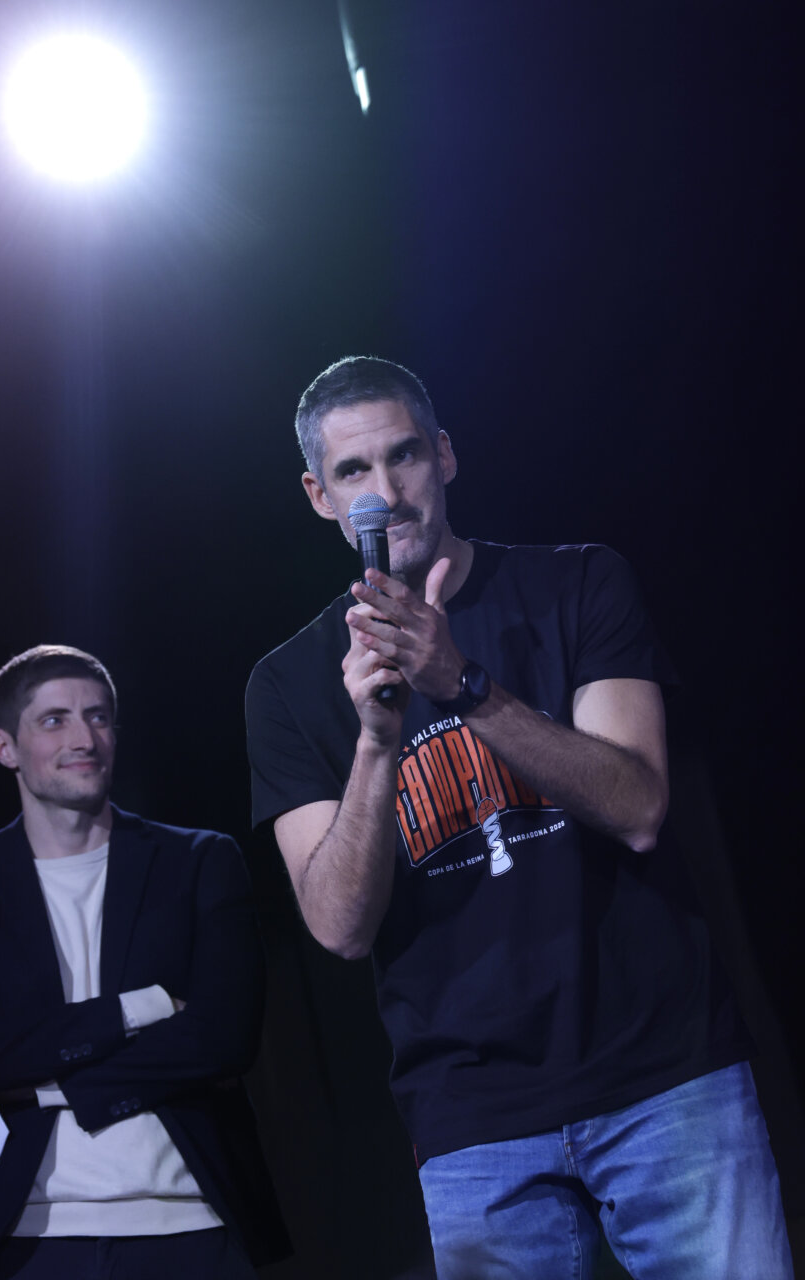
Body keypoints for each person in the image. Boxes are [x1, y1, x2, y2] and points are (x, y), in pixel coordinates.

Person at [245, 356, 793, 1279]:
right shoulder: (288, 687)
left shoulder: (577, 586)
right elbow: (338, 926)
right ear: (318, 495)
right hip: (475, 1124)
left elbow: (640, 806)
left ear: (447, 456)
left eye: (405, 455)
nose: (387, 491)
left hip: (664, 1078)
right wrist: (377, 742)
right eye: (353, 473)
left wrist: (460, 685)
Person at [0, 644, 288, 1280]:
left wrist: (26, 1080)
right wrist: (146, 1007)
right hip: (28, 1239)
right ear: (7, 747)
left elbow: (224, 1039)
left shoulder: (200, 862)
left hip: (192, 1227)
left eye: (98, 716)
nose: (83, 737)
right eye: (54, 720)